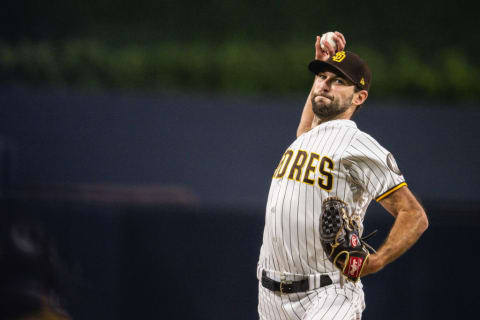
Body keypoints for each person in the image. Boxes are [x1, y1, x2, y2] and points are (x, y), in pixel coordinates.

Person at [256, 31, 428, 320]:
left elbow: (414, 214)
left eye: (338, 81)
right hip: (271, 295)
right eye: (322, 77)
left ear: (359, 96)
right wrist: (321, 62)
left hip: (329, 295)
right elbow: (307, 128)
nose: (325, 85)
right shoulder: (308, 137)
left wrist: (376, 261)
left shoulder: (358, 146)